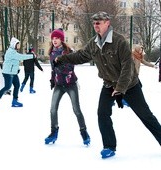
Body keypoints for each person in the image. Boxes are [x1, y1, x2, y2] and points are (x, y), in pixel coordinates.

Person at [54, 12, 161, 158]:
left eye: (99, 22)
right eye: (94, 22)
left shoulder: (119, 41)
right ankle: (109, 146)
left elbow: (127, 68)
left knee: (145, 115)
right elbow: (80, 56)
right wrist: (63, 58)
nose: (96, 25)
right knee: (102, 113)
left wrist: (120, 89)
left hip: (129, 85)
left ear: (107, 23)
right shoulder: (94, 43)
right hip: (108, 84)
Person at [44, 28, 90, 146]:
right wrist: (52, 79)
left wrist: (59, 64)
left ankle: (84, 132)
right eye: (53, 38)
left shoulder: (69, 51)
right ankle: (54, 132)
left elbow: (70, 68)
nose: (54, 40)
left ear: (62, 40)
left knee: (76, 109)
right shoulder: (52, 53)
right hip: (59, 85)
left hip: (70, 84)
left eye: (57, 38)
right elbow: (53, 69)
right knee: (53, 109)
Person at [0, 37, 34, 108]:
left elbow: (15, 61)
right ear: (14, 44)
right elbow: (20, 57)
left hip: (13, 72)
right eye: (17, 44)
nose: (18, 46)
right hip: (8, 72)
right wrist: (32, 56)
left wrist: (17, 69)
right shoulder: (10, 52)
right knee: (7, 86)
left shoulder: (14, 52)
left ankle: (14, 101)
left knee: (17, 85)